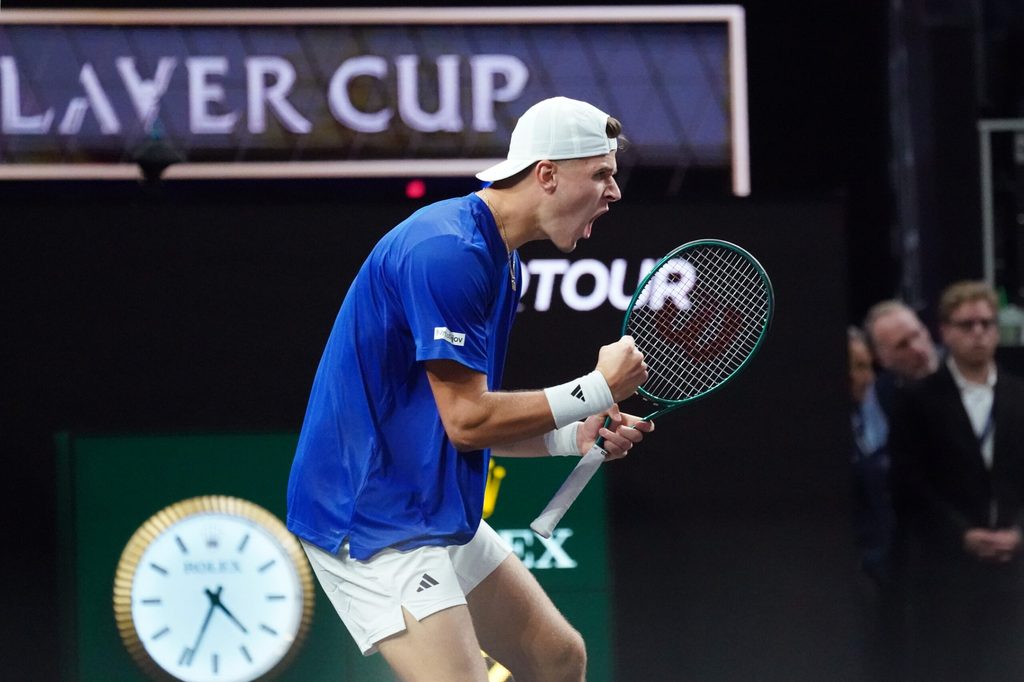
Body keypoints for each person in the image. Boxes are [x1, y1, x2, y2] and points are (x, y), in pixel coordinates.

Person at [286, 96, 655, 682]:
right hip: (369, 516)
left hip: (429, 501)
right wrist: (595, 388)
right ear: (547, 175)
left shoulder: (502, 263)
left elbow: (459, 425)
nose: (614, 192)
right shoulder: (448, 252)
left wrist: (568, 437)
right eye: (602, 173)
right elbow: (467, 421)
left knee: (560, 661)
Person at [888, 280, 1024, 682]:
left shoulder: (1019, 396)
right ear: (944, 331)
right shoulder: (917, 400)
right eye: (967, 325)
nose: (978, 333)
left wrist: (1019, 533)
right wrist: (962, 535)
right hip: (947, 572)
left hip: (1013, 569)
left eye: (986, 323)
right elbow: (909, 484)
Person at [862, 299, 940, 417]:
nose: (918, 349)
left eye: (917, 335)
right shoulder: (876, 399)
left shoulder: (963, 363)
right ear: (881, 359)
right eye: (902, 345)